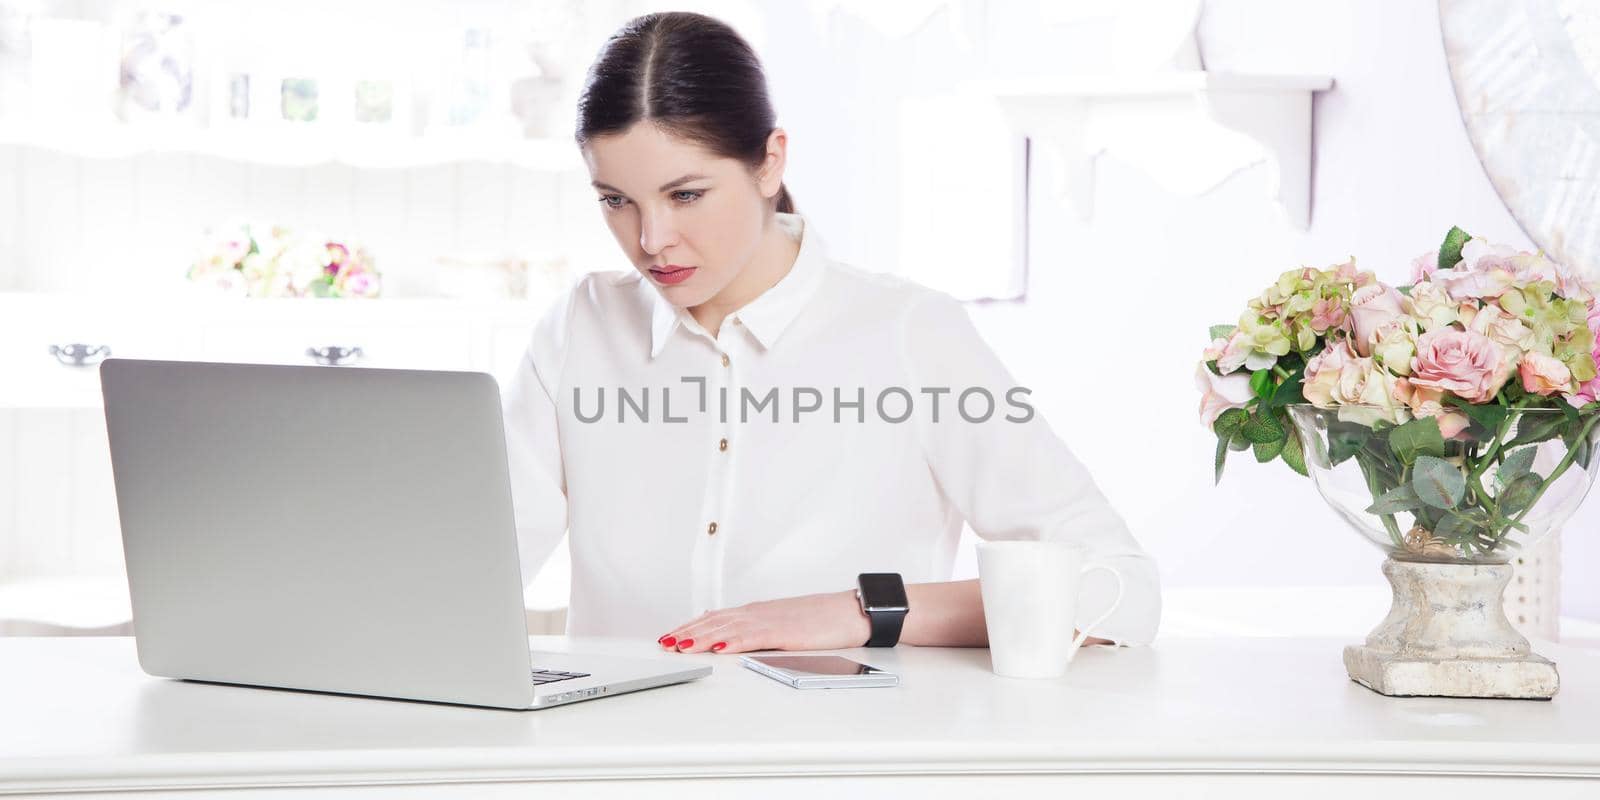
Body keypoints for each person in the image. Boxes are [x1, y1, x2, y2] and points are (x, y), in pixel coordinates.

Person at [502, 10, 1159, 656]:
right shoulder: (580, 329)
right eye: (616, 200)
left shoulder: (910, 334)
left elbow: (1119, 590)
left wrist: (855, 612)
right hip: (617, 755)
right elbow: (473, 569)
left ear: (769, 162)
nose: (650, 241)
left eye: (686, 195)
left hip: (842, 753)